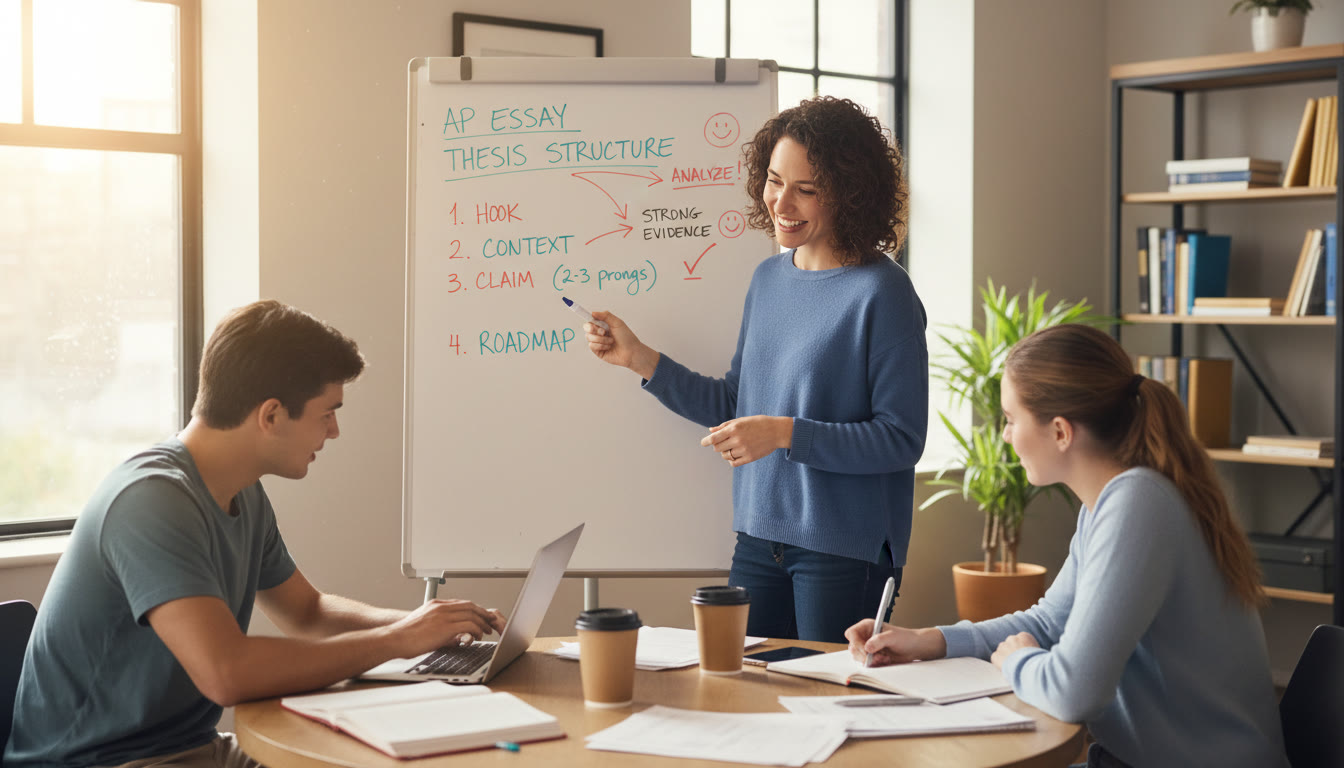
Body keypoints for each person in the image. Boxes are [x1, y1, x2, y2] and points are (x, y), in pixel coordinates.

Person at [4, 300, 506, 768]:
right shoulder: (152, 499)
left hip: (192, 751)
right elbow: (227, 673)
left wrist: (425, 627)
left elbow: (308, 612)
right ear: (271, 415)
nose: (333, 432)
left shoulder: (242, 493)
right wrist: (396, 641)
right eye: (327, 413)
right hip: (103, 761)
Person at [845, 323, 1287, 768]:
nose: (1005, 436)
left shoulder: (1138, 503)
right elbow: (1050, 620)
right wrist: (930, 640)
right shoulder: (1111, 502)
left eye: (1011, 420)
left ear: (1060, 432)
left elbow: (1074, 693)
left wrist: (1019, 661)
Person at [584, 96, 927, 643]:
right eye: (773, 180)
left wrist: (785, 433)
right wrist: (639, 359)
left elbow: (901, 439)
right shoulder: (768, 279)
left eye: (806, 189)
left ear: (851, 194)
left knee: (830, 706)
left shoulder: (883, 294)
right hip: (757, 539)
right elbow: (734, 405)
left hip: (843, 551)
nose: (780, 202)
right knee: (745, 695)